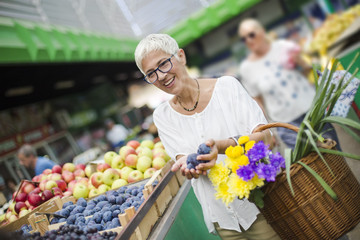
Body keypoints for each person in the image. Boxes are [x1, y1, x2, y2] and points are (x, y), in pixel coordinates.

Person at [135, 33, 280, 240]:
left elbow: (266, 138)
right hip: (224, 221)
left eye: (163, 64)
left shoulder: (226, 88)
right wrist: (190, 167)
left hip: (261, 205)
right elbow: (183, 159)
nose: (160, 76)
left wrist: (223, 146)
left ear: (181, 56)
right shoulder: (163, 117)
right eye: (151, 73)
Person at [238, 18, 340, 149]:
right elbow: (258, 100)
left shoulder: (283, 46)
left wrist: (301, 63)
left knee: (334, 152)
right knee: (312, 164)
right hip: (286, 124)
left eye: (251, 35)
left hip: (312, 110)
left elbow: (307, 71)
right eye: (244, 39)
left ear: (262, 31)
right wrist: (267, 130)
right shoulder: (246, 68)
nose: (248, 40)